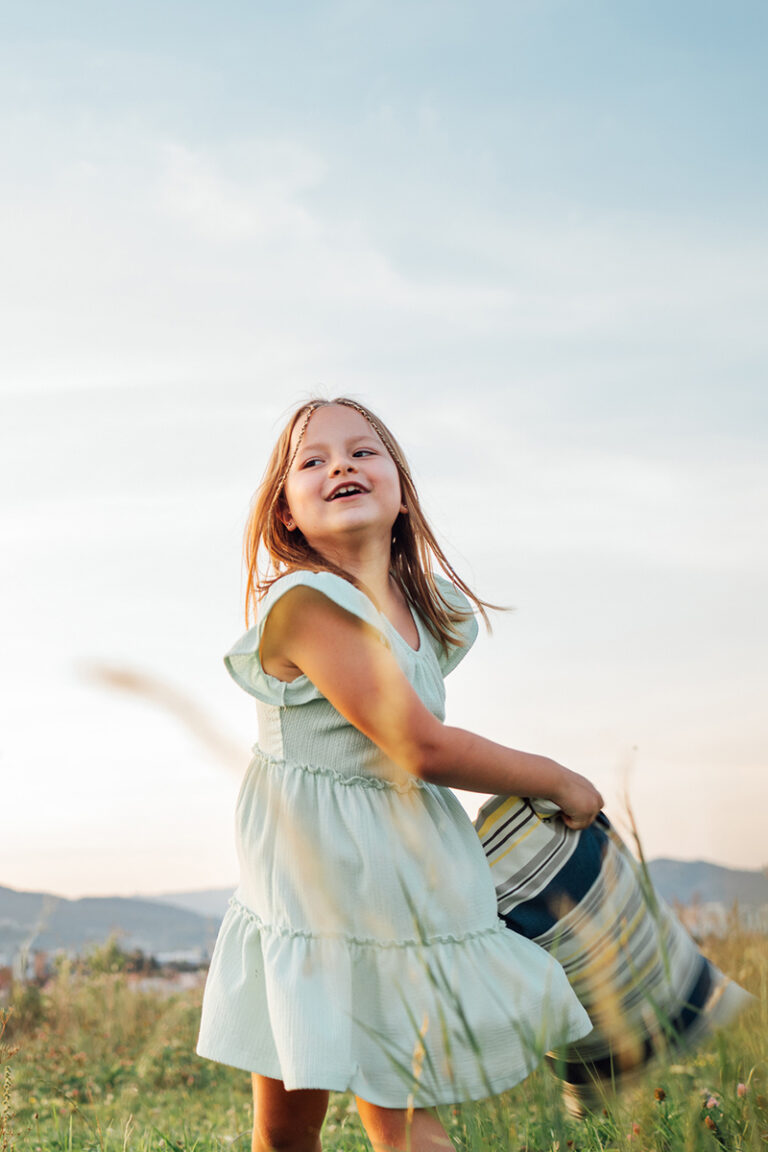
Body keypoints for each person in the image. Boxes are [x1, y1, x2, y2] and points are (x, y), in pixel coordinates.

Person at [196, 397, 603, 1152]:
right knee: (306, 1121)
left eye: (363, 451)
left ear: (402, 492)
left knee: (371, 1105)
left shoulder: (422, 608)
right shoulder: (307, 605)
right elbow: (422, 746)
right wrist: (553, 776)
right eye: (310, 461)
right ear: (285, 516)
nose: (340, 465)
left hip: (401, 869)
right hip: (321, 873)